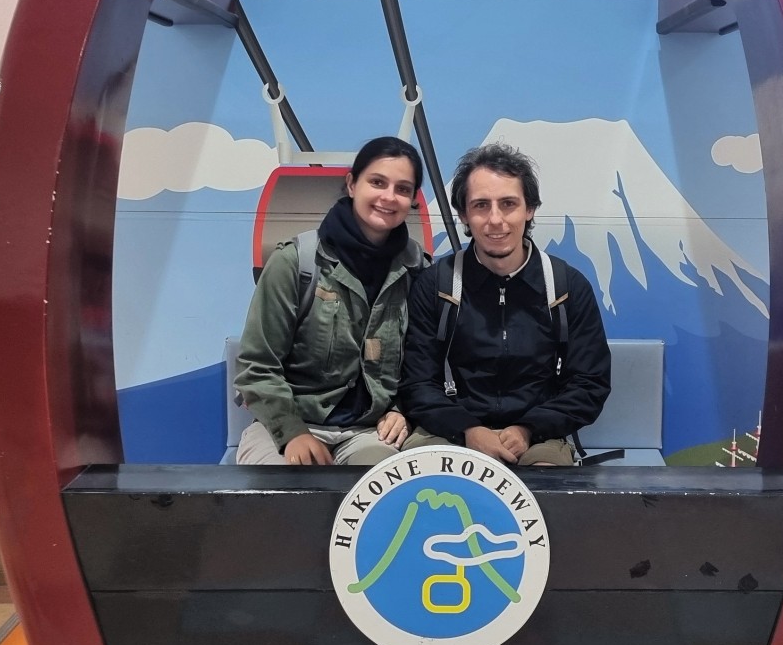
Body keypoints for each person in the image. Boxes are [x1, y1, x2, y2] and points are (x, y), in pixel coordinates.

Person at [400, 141, 611, 465]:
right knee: (421, 480)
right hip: (447, 430)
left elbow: (589, 383)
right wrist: (467, 429)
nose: (495, 220)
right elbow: (417, 382)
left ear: (530, 210)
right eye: (481, 205)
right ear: (464, 215)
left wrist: (528, 428)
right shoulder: (437, 285)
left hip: (537, 436)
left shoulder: (567, 287)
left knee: (546, 487)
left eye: (508, 204)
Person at [234, 136, 426, 466]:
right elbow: (257, 368)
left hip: (368, 431)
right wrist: (292, 432)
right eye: (377, 182)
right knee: (281, 490)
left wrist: (401, 411)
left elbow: (423, 364)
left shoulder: (418, 270)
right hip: (288, 423)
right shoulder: (296, 262)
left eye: (403, 188)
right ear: (352, 184)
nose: (388, 197)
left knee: (381, 486)